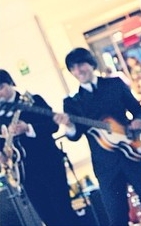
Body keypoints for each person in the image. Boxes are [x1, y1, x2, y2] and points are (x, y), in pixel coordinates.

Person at [53, 48, 141, 226]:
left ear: (91, 64)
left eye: (81, 65)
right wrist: (68, 125)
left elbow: (138, 110)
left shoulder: (114, 84)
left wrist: (139, 121)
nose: (78, 71)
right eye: (73, 68)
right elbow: (75, 135)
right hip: (105, 165)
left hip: (132, 152)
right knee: (116, 216)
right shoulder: (72, 102)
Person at [0, 69, 84, 226]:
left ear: (10, 82)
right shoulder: (1, 112)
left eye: (1, 87)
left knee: (63, 211)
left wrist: (28, 128)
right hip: (25, 172)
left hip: (48, 163)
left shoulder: (32, 100)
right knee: (46, 216)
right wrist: (3, 156)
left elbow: (53, 125)